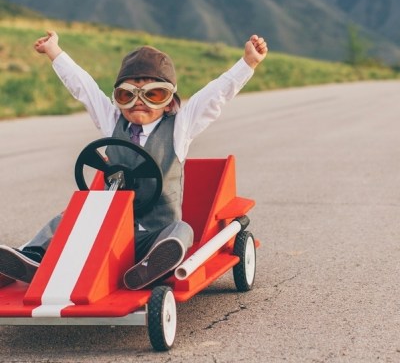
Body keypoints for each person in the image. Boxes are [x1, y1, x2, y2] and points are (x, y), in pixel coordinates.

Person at [0, 31, 267, 290]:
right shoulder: (112, 122)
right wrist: (54, 52)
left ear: (169, 101)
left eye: (153, 95)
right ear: (118, 99)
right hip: (110, 232)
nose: (139, 102)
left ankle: (151, 267)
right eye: (128, 95)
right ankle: (31, 257)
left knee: (181, 230)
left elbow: (215, 95)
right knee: (69, 217)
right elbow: (84, 88)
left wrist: (248, 63)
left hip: (153, 235)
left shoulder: (178, 128)